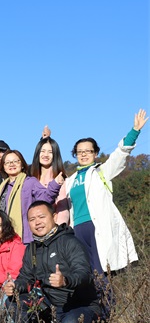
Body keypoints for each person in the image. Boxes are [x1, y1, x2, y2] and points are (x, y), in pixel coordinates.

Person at [3, 201, 102, 323]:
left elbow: (84, 273)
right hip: (52, 305)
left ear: (54, 217)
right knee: (12, 303)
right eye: (32, 219)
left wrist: (66, 280)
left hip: (79, 305)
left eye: (42, 217)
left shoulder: (70, 242)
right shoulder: (32, 249)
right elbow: (26, 277)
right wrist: (14, 286)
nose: (37, 222)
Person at [64, 109, 146, 274]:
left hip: (97, 226)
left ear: (95, 153)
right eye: (79, 152)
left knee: (102, 271)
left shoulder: (102, 171)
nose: (83, 154)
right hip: (77, 229)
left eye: (88, 151)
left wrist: (135, 131)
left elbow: (120, 154)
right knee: (84, 273)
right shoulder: (69, 180)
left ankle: (107, 293)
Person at [0, 150, 63, 244]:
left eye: (15, 161)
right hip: (5, 238)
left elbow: (45, 199)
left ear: (22, 164)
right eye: (7, 162)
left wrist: (55, 184)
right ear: (3, 166)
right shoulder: (1, 187)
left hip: (25, 238)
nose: (11, 164)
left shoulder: (29, 182)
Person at [28, 130, 69, 224]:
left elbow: (62, 208)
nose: (46, 155)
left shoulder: (60, 177)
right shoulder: (29, 176)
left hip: (52, 226)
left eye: (50, 152)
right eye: (42, 151)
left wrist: (59, 228)